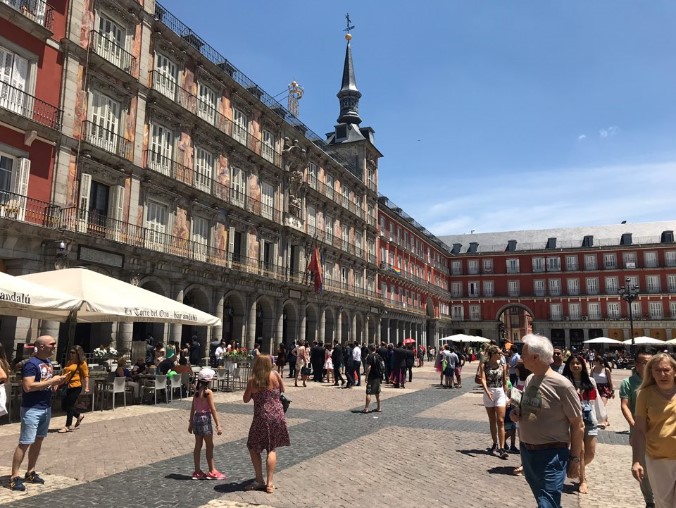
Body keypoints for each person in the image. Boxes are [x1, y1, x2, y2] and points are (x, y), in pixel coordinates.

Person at [510, 334, 584, 508]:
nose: (520, 358)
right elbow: (530, 409)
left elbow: (578, 424)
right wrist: (517, 412)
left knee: (547, 503)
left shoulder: (562, 385)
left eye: (524, 354)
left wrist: (574, 459)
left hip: (551, 454)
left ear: (536, 357)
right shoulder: (530, 379)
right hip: (527, 452)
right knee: (545, 500)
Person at [9, 336, 67, 491]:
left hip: (45, 406)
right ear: (41, 346)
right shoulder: (31, 364)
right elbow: (28, 386)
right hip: (32, 408)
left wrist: (54, 384)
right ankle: (14, 476)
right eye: (52, 344)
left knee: (38, 440)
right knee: (25, 442)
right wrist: (51, 382)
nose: (54, 347)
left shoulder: (48, 363)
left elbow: (44, 382)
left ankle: (31, 471)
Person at [631, 353, 676, 508]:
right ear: (651, 373)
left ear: (674, 371)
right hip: (658, 458)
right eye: (657, 370)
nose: (662, 374)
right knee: (664, 503)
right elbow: (639, 430)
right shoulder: (644, 394)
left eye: (666, 370)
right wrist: (637, 460)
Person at [243, 355, 290, 494]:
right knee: (271, 448)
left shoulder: (253, 380)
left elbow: (245, 399)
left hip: (262, 416)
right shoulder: (275, 374)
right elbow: (283, 390)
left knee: (253, 446)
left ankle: (259, 479)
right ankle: (270, 484)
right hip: (277, 415)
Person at [620, 350, 654, 508]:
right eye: (644, 362)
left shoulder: (658, 380)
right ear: (637, 364)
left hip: (657, 429)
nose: (648, 365)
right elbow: (624, 406)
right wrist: (634, 424)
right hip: (638, 428)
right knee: (643, 464)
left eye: (650, 362)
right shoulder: (628, 382)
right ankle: (650, 501)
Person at [562, 354, 599, 494]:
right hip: (573, 420)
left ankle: (575, 466)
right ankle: (583, 480)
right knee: (581, 451)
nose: (575, 366)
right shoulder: (565, 382)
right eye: (572, 363)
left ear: (583, 365)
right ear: (568, 366)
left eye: (578, 363)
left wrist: (601, 418)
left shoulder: (590, 381)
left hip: (589, 419)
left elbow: (595, 402)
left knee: (590, 453)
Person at [188, 368, 226, 480]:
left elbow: (193, 408)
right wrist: (218, 425)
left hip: (197, 418)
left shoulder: (196, 392)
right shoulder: (208, 392)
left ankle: (197, 471)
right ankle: (212, 470)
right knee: (209, 446)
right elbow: (213, 409)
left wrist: (190, 423)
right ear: (209, 381)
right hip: (205, 419)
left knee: (198, 446)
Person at [480, 345, 509, 459]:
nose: (501, 355)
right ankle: (495, 443)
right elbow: (483, 379)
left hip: (500, 392)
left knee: (500, 420)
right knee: (492, 420)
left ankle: (502, 448)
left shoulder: (502, 365)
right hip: (489, 392)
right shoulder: (484, 365)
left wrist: (507, 396)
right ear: (492, 354)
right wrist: (487, 391)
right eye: (499, 353)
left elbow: (505, 381)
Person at [58, 345, 89, 433]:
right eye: (70, 352)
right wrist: (58, 382)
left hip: (76, 386)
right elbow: (64, 374)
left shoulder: (81, 363)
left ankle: (68, 426)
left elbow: (86, 376)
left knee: (70, 405)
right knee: (64, 406)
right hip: (67, 386)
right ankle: (79, 416)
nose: (71, 354)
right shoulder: (69, 362)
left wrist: (87, 387)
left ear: (78, 353)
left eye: (73, 353)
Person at [590, 356, 614, 428]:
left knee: (602, 405)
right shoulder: (593, 369)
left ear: (598, 361)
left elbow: (610, 381)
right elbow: (590, 379)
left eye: (594, 360)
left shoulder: (606, 369)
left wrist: (612, 390)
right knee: (597, 405)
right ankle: (605, 420)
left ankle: (604, 421)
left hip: (604, 388)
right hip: (595, 388)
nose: (593, 361)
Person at [362, 344, 383, 413]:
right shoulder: (378, 356)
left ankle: (366, 408)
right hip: (378, 376)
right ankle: (379, 407)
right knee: (377, 392)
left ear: (369, 349)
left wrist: (366, 376)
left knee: (368, 392)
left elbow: (369, 367)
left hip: (372, 376)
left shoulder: (370, 356)